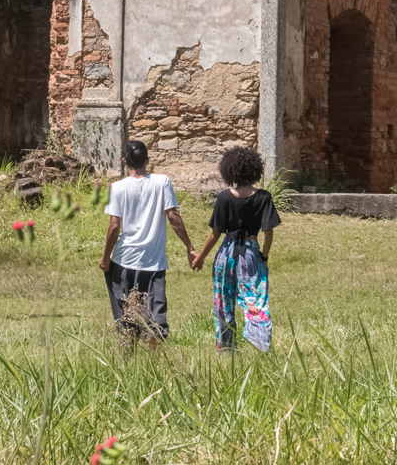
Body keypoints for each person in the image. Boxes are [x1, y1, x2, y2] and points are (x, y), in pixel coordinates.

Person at [99, 140, 197, 346]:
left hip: (123, 261)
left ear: (125, 161)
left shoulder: (117, 188)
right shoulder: (162, 182)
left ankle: (129, 358)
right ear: (147, 160)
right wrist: (190, 247)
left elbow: (114, 226)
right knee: (156, 320)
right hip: (153, 262)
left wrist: (106, 257)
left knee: (126, 318)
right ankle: (152, 363)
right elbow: (173, 216)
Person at [192, 147, 280, 353]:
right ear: (255, 170)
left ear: (229, 171)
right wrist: (264, 256)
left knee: (222, 301)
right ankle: (260, 346)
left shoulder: (224, 198)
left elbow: (215, 233)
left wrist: (200, 258)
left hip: (225, 253)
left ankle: (225, 348)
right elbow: (268, 232)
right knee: (255, 299)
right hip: (249, 253)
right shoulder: (264, 197)